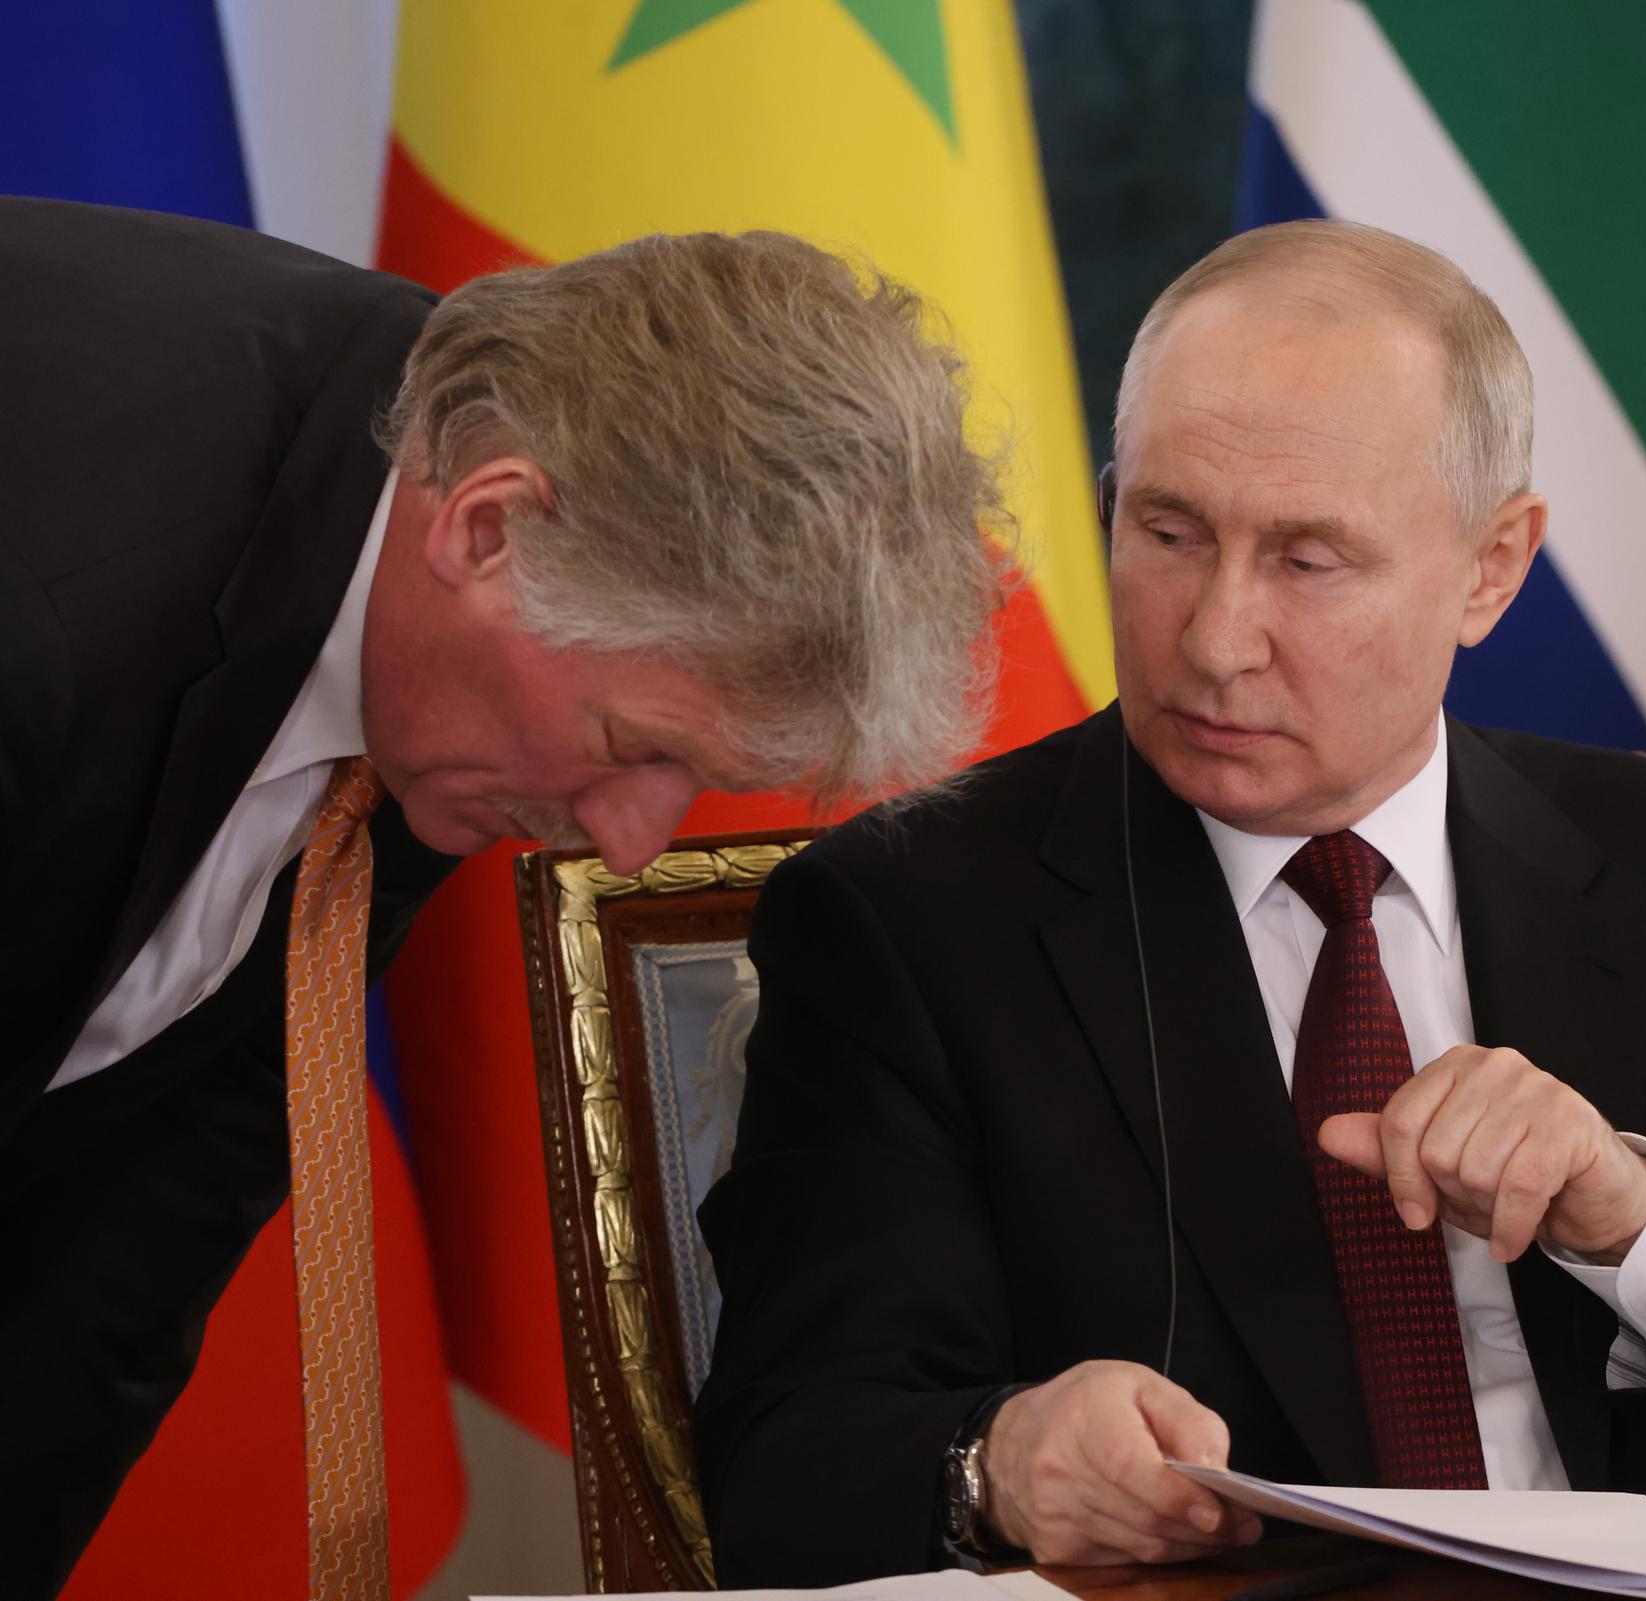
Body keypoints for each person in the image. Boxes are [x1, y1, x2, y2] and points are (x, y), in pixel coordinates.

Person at [695, 219, 1646, 1588]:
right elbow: (784, 1476)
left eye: (1307, 560)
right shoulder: (909, 920)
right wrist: (999, 1464)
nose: (1214, 639)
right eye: (1168, 531)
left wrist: (1638, 1220)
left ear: (1492, 567)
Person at [0, 197, 1003, 1598]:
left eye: (695, 781)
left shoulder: (430, 606)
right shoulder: (53, 594)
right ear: (487, 529)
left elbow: (121, 1243)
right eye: (636, 750)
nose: (631, 841)